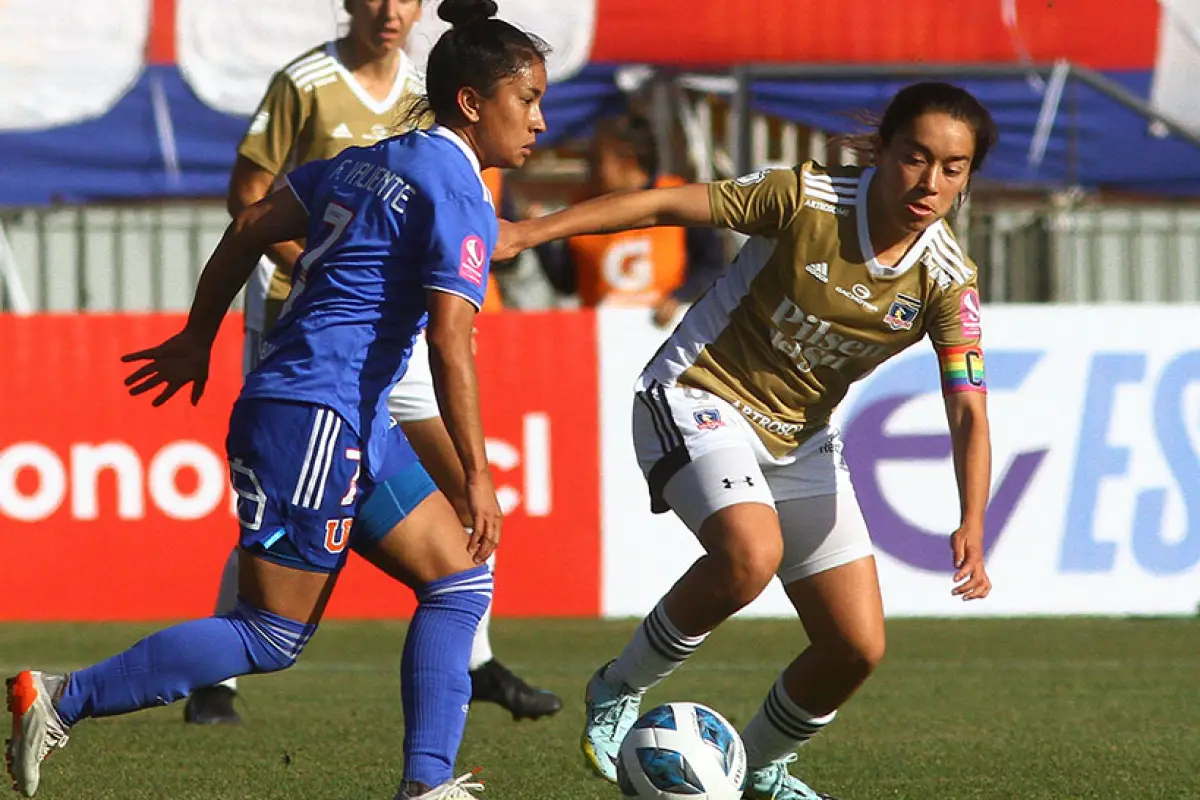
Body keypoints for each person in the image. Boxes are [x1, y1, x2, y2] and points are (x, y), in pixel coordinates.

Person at [4, 3, 548, 798]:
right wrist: (478, 474)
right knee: (270, 633)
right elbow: (450, 341)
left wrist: (199, 334)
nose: (539, 119)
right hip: (314, 417)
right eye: (527, 98)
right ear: (473, 102)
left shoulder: (374, 158)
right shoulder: (456, 192)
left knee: (461, 579)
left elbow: (255, 220)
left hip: (338, 413)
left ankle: (426, 786)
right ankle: (56, 698)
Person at [496, 82, 998, 800]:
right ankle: (616, 687)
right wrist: (526, 234)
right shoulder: (807, 198)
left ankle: (759, 764)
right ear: (883, 148)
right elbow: (662, 205)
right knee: (750, 555)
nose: (931, 182)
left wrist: (973, 519)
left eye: (953, 167)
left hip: (799, 438)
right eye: (916, 158)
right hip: (697, 393)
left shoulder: (949, 280)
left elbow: (970, 410)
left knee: (856, 646)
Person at [189, 0, 561, 726]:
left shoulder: (420, 107)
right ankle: (153, 686)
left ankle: (457, 703)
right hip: (330, 346)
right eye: (530, 101)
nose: (392, 10)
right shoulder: (308, 82)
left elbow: (465, 225)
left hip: (393, 335)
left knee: (460, 552)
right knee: (279, 615)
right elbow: (250, 202)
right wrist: (325, 276)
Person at [536, 113, 725, 326]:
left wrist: (680, 297)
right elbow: (566, 282)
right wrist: (541, 239)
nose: (589, 169)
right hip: (606, 344)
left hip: (664, 335)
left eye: (597, 159)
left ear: (628, 161)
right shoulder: (581, 207)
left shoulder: (677, 198)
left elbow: (713, 265)